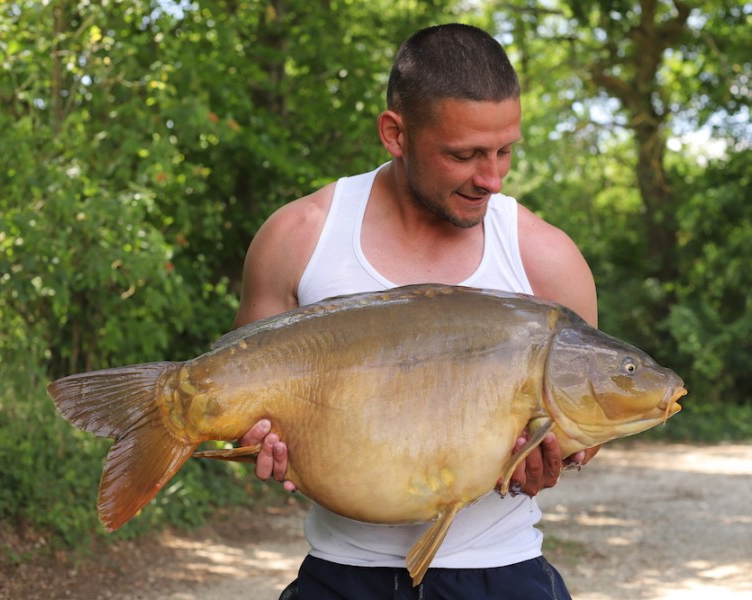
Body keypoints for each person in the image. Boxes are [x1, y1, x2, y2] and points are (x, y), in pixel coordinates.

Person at [232, 23, 599, 600]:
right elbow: (238, 415)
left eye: (505, 151)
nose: (493, 178)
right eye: (464, 154)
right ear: (395, 133)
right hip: (339, 573)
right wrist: (258, 444)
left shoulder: (547, 258)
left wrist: (562, 455)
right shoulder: (299, 237)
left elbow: (586, 422)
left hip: (502, 575)